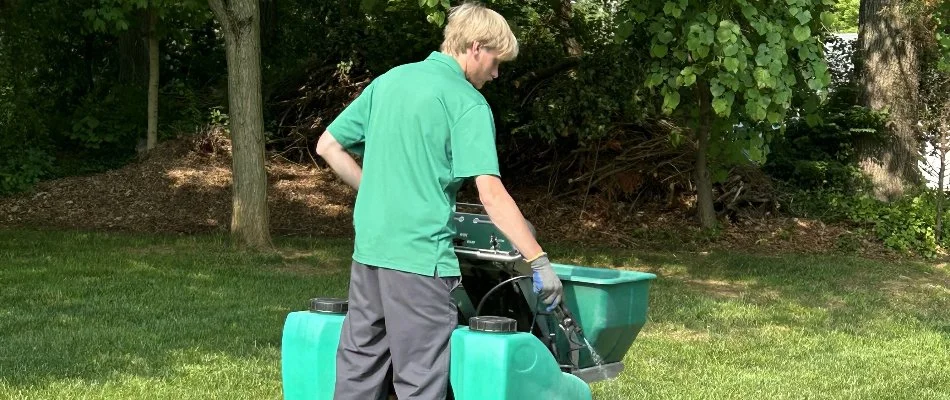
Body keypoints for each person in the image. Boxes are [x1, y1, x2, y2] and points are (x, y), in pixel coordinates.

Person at [315, 2, 564, 399]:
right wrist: (538, 259)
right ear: (477, 47)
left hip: (370, 253)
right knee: (420, 381)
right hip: (420, 261)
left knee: (359, 374)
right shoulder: (465, 101)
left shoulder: (391, 81)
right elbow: (491, 194)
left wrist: (379, 192)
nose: (497, 74)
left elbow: (328, 145)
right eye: (497, 62)